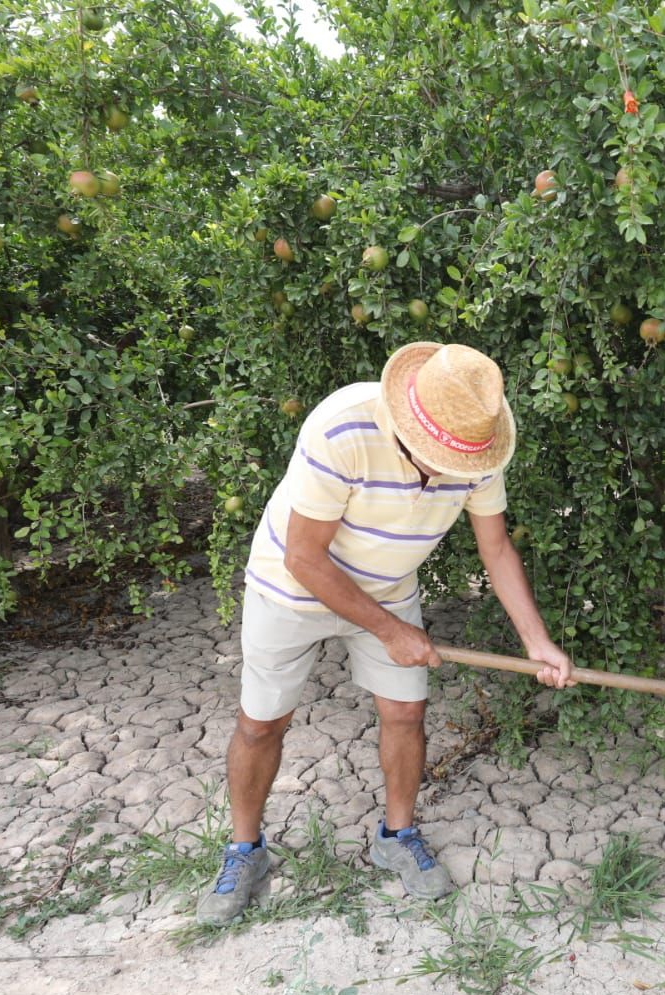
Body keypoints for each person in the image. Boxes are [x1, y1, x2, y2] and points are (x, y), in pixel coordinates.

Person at [197, 341, 574, 925]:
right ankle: (244, 852)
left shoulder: (480, 441)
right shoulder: (341, 427)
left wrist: (537, 641)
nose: (445, 475)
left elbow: (495, 548)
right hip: (290, 584)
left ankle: (396, 836)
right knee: (261, 721)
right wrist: (391, 631)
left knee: (404, 713)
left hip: (390, 586)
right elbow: (304, 557)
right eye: (433, 459)